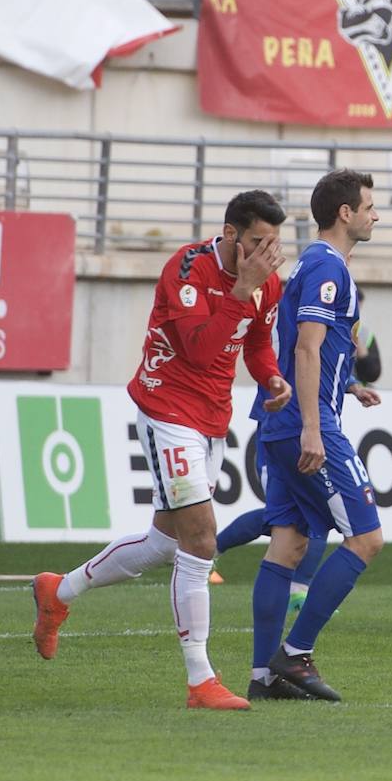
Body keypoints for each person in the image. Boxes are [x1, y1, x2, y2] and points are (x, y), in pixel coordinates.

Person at [31, 191, 292, 711]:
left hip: (213, 418)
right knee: (201, 540)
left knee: (164, 543)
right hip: (167, 407)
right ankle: (201, 679)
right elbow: (196, 350)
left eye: (275, 244)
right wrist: (241, 290)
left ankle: (57, 592)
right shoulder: (187, 268)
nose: (268, 254)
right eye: (260, 242)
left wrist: (270, 378)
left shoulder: (267, 283)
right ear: (233, 235)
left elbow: (256, 343)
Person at [247, 169, 384, 702]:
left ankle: (263, 677)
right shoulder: (330, 268)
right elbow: (305, 347)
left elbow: (309, 350)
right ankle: (296, 654)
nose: (376, 215)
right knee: (367, 539)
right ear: (345, 213)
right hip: (307, 424)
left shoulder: (310, 263)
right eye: (369, 206)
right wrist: (313, 427)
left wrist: (346, 383)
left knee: (288, 543)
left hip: (278, 419)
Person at [214, 293, 383, 605]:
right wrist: (312, 428)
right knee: (298, 517)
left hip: (298, 427)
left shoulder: (328, 322)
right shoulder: (296, 317)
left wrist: (354, 386)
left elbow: (345, 366)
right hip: (285, 429)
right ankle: (216, 551)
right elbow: (299, 360)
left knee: (295, 520)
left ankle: (215, 551)